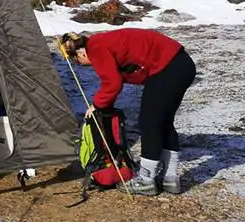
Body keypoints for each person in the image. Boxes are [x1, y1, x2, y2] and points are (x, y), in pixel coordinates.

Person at [59, 27, 196, 196]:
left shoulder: (95, 48)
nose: (82, 65)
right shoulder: (103, 41)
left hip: (166, 68)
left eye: (77, 62)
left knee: (149, 123)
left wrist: (97, 104)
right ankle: (170, 179)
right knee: (164, 122)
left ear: (80, 53)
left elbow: (113, 83)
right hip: (183, 64)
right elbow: (129, 74)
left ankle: (146, 181)